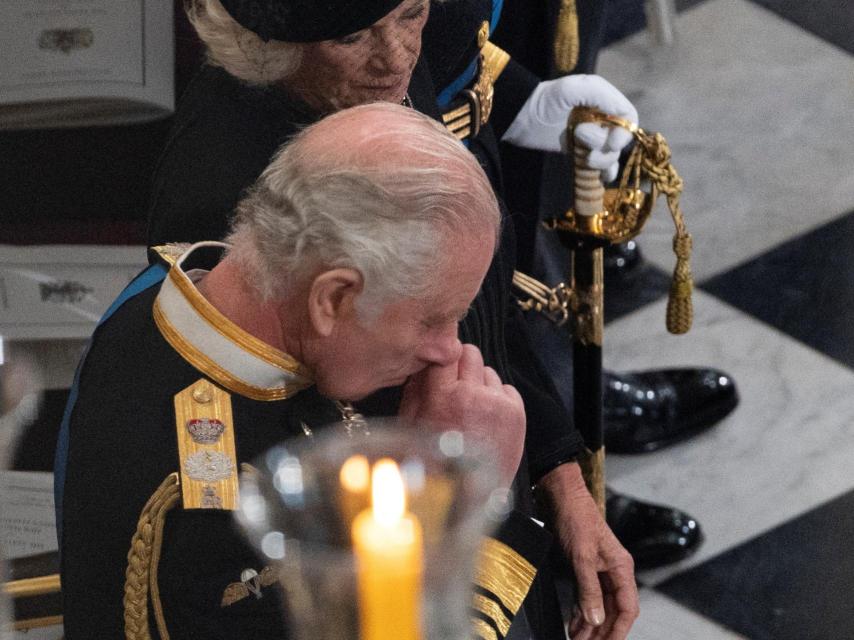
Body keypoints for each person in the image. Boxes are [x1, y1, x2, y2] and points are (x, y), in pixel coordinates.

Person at [141, 2, 640, 639]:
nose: (397, 56)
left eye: (410, 13)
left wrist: (559, 476)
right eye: (352, 35)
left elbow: (467, 313)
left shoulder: (381, 73)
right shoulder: (218, 205)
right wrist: (458, 482)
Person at [59, 104, 537, 638]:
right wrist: (465, 499)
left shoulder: (196, 287)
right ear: (332, 297)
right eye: (434, 319)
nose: (448, 351)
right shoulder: (207, 509)